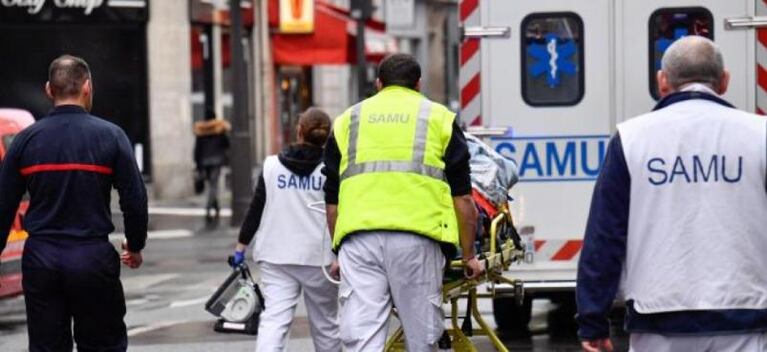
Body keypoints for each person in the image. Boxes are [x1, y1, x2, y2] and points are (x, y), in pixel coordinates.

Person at [577, 36, 767, 352]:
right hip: (744, 314)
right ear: (724, 81)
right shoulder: (760, 135)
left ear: (662, 81)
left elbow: (605, 235)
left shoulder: (632, 138)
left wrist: (592, 320)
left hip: (658, 319)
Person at [323, 53, 484, 352]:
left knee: (361, 337)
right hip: (418, 240)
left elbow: (332, 201)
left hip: (359, 241)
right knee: (423, 336)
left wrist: (338, 249)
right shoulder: (439, 119)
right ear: (418, 85)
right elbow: (463, 198)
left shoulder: (347, 120)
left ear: (378, 83)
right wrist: (469, 253)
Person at [0, 55, 147, 351]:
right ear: (87, 87)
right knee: (103, 344)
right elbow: (135, 199)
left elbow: (3, 206)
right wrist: (134, 245)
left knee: (47, 346)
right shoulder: (111, 136)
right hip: (91, 256)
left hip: (41, 258)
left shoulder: (25, 141)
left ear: (48, 89)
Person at [233, 108, 341, 352]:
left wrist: (241, 248)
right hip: (319, 258)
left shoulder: (271, 166)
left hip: (276, 255)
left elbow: (256, 209)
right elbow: (339, 211)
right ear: (327, 136)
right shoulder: (332, 170)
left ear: (299, 130)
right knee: (326, 326)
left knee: (274, 320)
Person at [194, 109, 230, 222]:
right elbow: (226, 144)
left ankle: (216, 207)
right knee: (213, 186)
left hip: (204, 162)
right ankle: (209, 208)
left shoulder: (201, 131)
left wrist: (198, 165)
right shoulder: (219, 129)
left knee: (211, 185)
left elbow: (197, 150)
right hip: (216, 161)